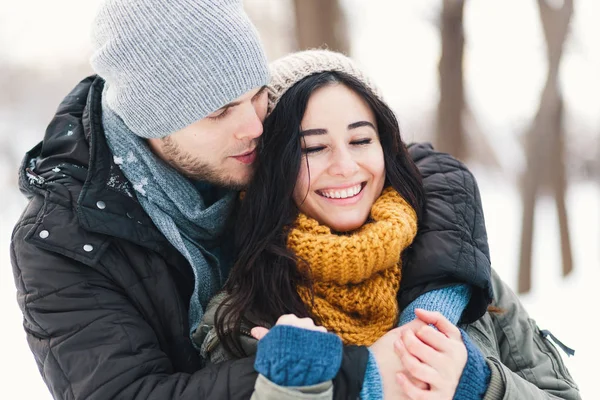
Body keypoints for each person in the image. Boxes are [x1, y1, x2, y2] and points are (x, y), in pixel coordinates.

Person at [7, 0, 570, 399]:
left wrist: (471, 361)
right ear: (155, 124)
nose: (258, 127)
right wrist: (338, 378)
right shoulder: (74, 247)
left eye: (257, 97)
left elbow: (414, 169)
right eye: (222, 111)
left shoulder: (452, 268)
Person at [196, 50, 581, 400]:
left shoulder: (458, 273)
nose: (345, 166)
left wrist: (482, 386)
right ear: (274, 167)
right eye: (313, 148)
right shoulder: (241, 315)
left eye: (361, 140)